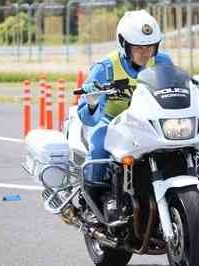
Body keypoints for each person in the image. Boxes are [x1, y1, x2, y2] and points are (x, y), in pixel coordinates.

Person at [77, 10, 173, 201]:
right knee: (98, 148)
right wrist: (92, 102)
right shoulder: (105, 68)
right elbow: (86, 117)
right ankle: (91, 202)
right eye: (138, 47)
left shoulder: (162, 62)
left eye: (151, 46)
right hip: (112, 121)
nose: (145, 53)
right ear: (124, 44)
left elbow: (173, 88)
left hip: (149, 122)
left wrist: (193, 84)